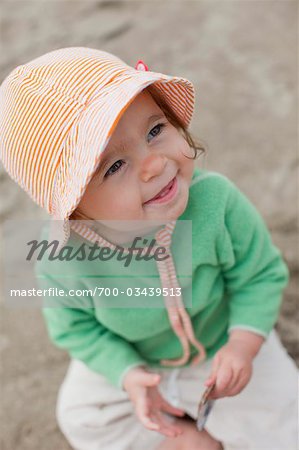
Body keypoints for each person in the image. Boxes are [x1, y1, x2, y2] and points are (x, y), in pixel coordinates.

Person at [0, 47, 297, 450]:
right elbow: (76, 329)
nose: (154, 164)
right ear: (75, 210)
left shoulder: (216, 202)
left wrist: (243, 345)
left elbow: (258, 274)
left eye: (155, 130)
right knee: (81, 416)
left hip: (222, 341)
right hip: (139, 359)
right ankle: (187, 438)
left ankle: (219, 409)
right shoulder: (65, 260)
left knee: (284, 420)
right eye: (115, 166)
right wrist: (126, 372)